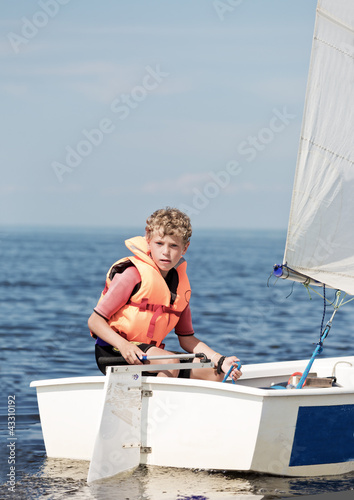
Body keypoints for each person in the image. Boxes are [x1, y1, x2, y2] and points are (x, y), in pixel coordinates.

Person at [88, 207, 242, 382]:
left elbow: (186, 339)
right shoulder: (132, 274)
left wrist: (220, 360)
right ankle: (155, 407)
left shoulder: (180, 289)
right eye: (159, 243)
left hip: (149, 355)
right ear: (148, 239)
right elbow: (94, 321)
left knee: (214, 373)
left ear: (185, 248)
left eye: (174, 245)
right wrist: (123, 345)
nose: (166, 252)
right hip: (113, 351)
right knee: (169, 361)